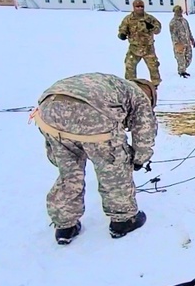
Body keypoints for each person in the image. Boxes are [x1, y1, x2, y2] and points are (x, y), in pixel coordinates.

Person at [32, 72, 158, 244]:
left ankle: (65, 226)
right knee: (113, 168)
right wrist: (138, 159)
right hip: (92, 117)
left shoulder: (111, 83)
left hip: (48, 111)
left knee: (69, 171)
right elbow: (144, 133)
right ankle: (123, 220)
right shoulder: (140, 97)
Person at [118, 0, 162, 86]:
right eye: (137, 7)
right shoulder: (128, 19)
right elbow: (122, 29)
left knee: (153, 67)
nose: (140, 8)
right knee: (129, 65)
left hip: (148, 48)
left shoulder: (149, 18)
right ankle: (130, 84)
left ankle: (155, 84)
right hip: (134, 48)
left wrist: (152, 27)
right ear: (134, 7)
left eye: (141, 6)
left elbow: (158, 30)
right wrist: (122, 34)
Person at [169, 5, 195, 78]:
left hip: (187, 42)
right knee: (180, 58)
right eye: (178, 11)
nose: (179, 12)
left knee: (188, 57)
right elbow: (173, 34)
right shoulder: (173, 22)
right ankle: (181, 71)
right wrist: (177, 44)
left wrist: (192, 39)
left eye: (180, 11)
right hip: (179, 44)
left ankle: (184, 68)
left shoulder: (184, 21)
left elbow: (188, 31)